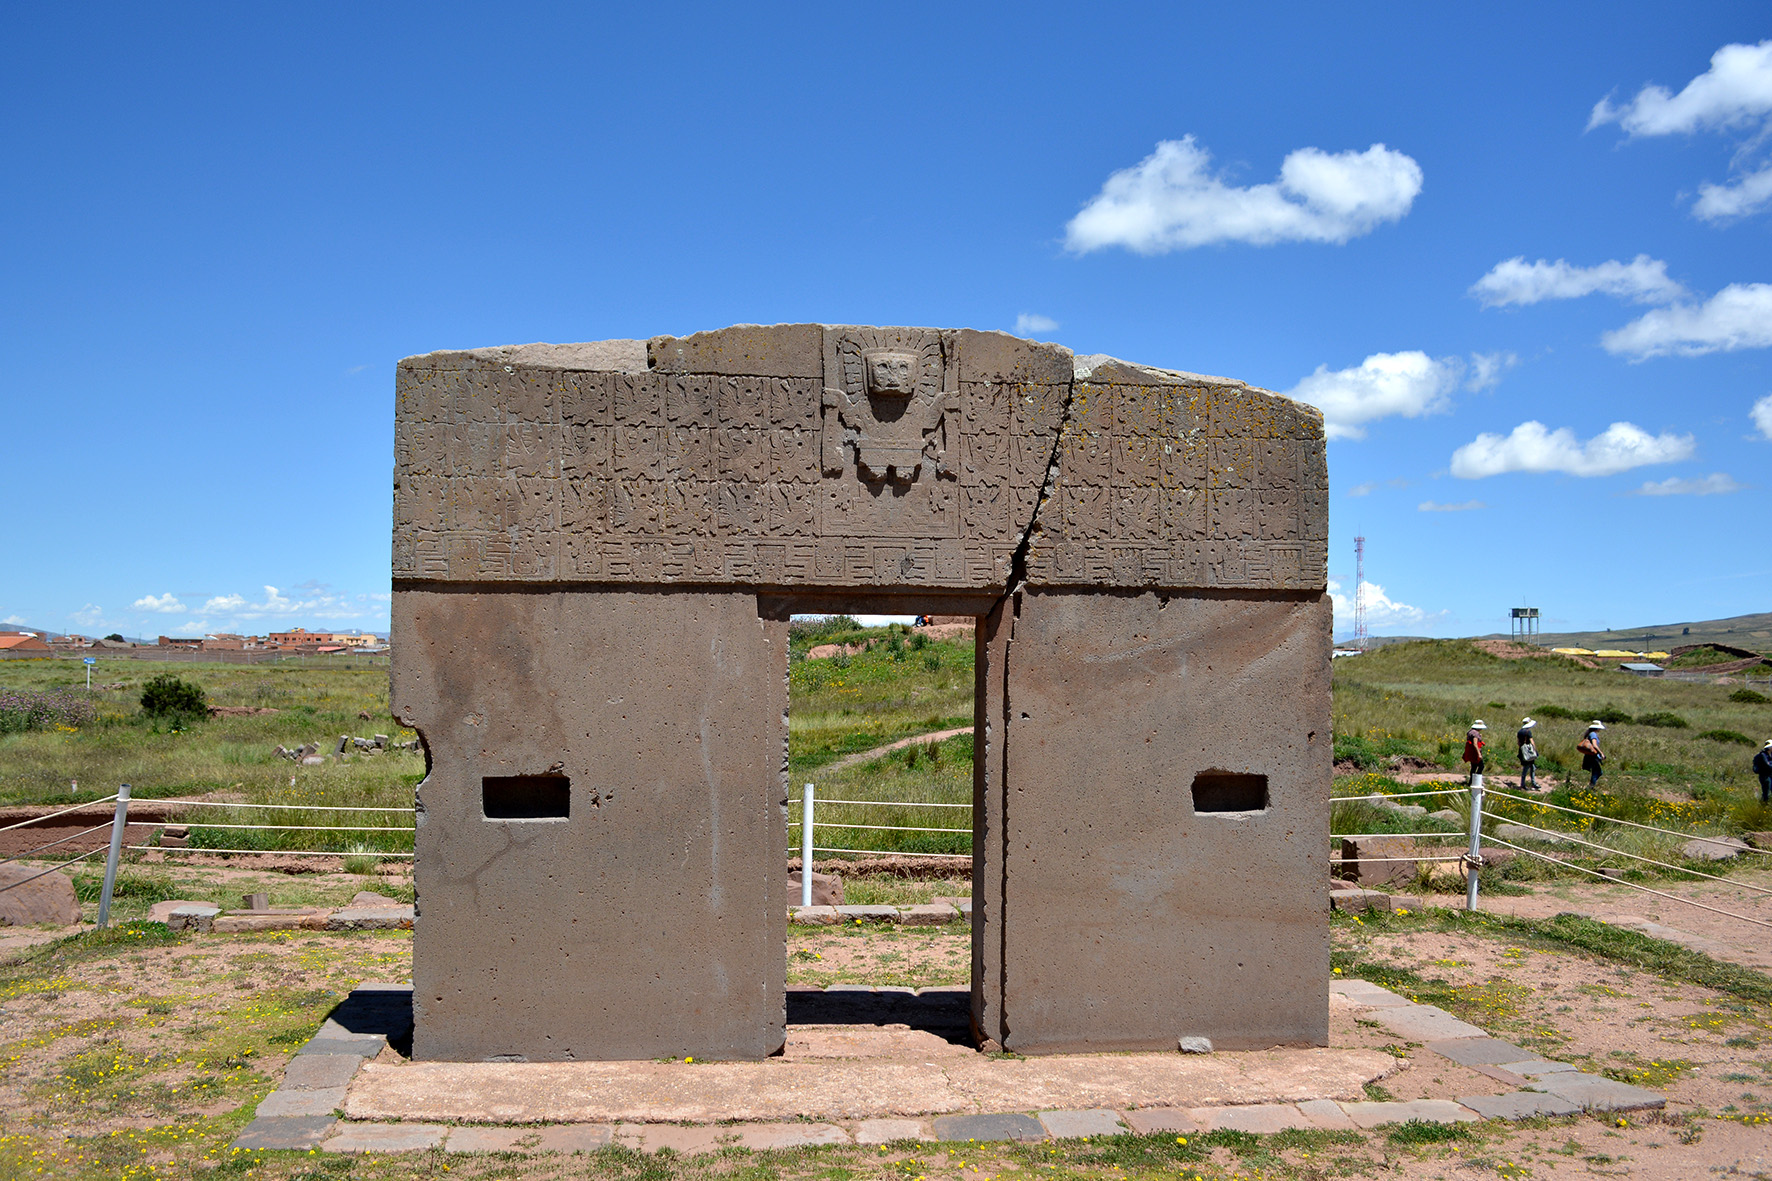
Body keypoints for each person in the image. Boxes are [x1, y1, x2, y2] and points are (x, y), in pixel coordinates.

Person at [1578, 720, 1607, 787]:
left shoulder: (1589, 733)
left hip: (1589, 756)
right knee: (1597, 772)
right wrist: (1601, 753)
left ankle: (1591, 786)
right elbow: (1594, 745)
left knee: (1596, 771)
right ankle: (1591, 786)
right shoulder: (1593, 734)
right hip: (1593, 756)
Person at [1517, 717, 1540, 791]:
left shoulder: (1519, 732)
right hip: (1529, 751)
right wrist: (1535, 751)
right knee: (1528, 768)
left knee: (1530, 767)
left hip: (1522, 751)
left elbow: (1518, 742)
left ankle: (1530, 783)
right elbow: (1532, 742)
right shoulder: (1528, 732)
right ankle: (1524, 784)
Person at [1463, 719, 1488, 784]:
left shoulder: (1470, 731)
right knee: (1481, 766)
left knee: (1473, 767)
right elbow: (1475, 743)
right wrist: (1479, 754)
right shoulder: (1475, 734)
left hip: (1471, 753)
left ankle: (1471, 782)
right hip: (1475, 753)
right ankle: (1476, 781)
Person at [1755, 740, 1772, 806]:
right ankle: (1764, 805)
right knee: (1766, 792)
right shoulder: (1763, 755)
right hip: (1765, 776)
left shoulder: (1769, 755)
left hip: (1770, 775)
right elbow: (1767, 765)